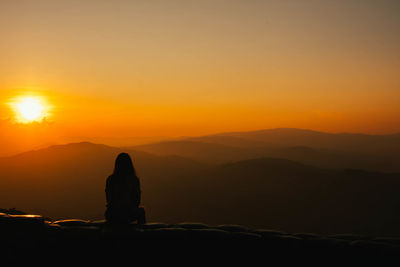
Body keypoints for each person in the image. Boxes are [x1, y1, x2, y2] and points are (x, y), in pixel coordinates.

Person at [105, 153, 146, 224]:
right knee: (141, 211)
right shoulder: (134, 180)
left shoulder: (110, 179)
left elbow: (108, 199)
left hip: (112, 214)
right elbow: (137, 201)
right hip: (128, 214)